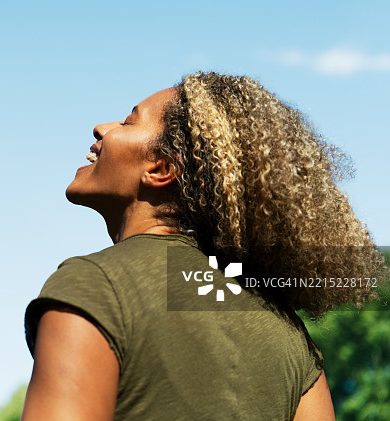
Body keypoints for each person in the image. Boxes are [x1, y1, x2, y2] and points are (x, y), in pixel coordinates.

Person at [21, 72, 387, 421]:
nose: (102, 128)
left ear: (162, 168)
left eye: (128, 123)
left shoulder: (97, 284)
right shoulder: (293, 341)